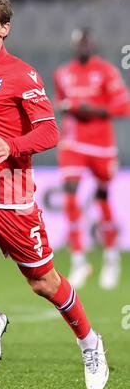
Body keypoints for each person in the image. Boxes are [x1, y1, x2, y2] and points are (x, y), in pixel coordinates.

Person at [0, 0, 109, 389]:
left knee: (43, 282)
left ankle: (90, 342)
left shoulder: (22, 74)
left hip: (11, 193)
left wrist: (12, 146)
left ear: (5, 28)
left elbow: (50, 131)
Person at [54, 28, 130, 290]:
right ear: (75, 47)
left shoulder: (107, 71)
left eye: (87, 43)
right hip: (73, 144)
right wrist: (70, 108)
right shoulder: (63, 73)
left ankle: (111, 258)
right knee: (71, 194)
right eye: (79, 44)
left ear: (93, 44)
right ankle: (78, 260)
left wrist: (93, 110)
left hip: (101, 147)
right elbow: (61, 103)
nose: (83, 47)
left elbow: (124, 106)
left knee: (102, 200)